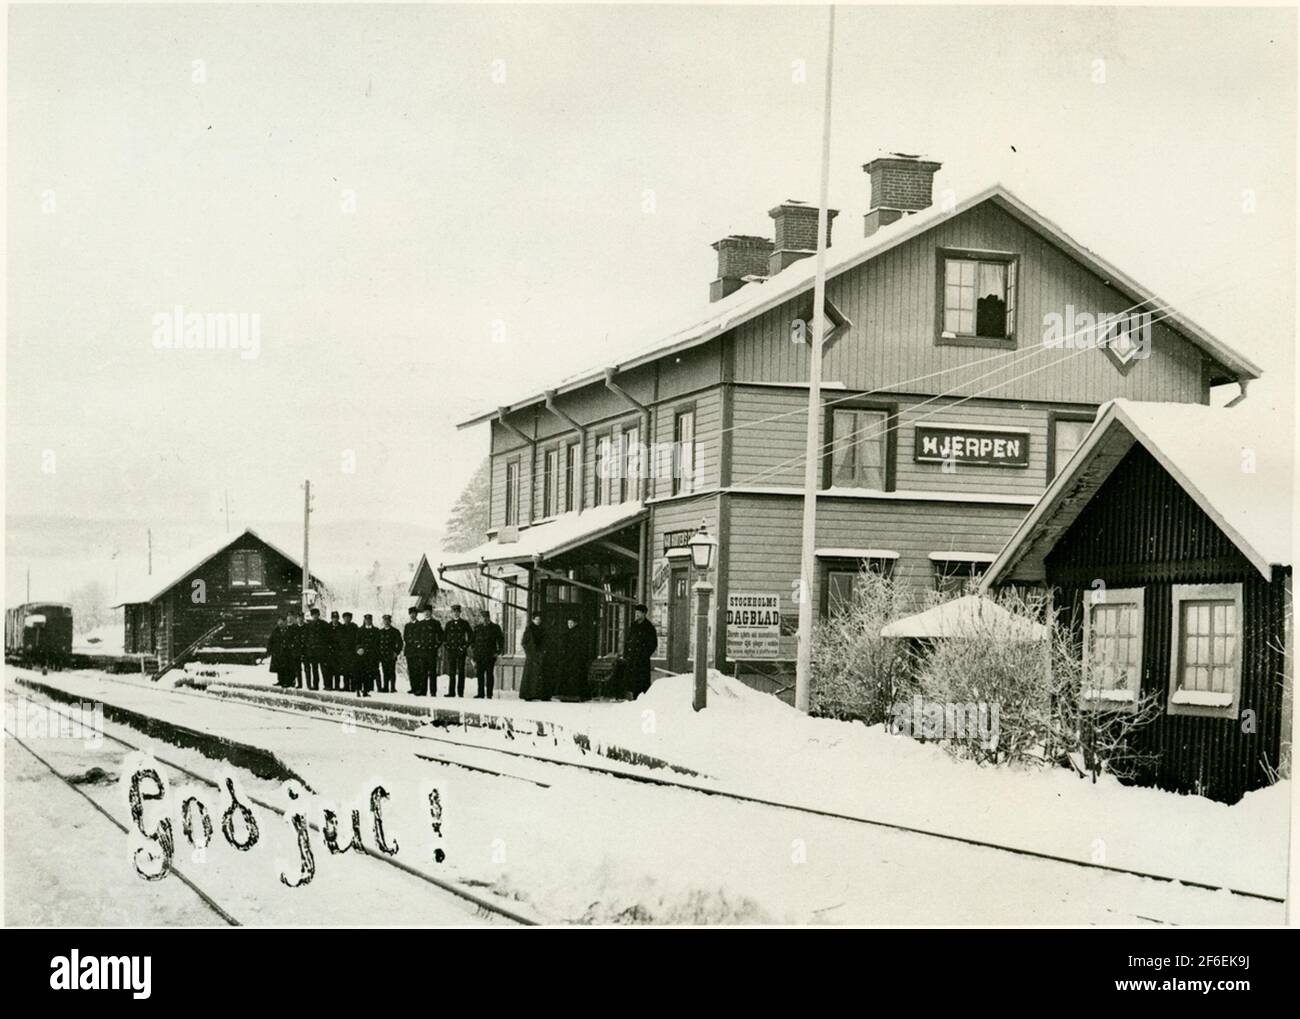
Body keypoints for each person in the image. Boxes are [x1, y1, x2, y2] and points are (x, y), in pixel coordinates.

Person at [623, 603, 659, 698]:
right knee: (632, 683)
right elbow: (627, 641)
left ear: (644, 614)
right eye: (636, 613)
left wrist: (644, 654)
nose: (637, 615)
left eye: (639, 613)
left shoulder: (649, 627)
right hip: (632, 659)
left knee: (642, 683)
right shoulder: (633, 625)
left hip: (642, 661)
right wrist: (626, 654)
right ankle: (634, 699)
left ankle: (642, 700)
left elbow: (653, 644)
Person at [471, 609, 505, 699]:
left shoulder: (495, 627)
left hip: (490, 655)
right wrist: (474, 655)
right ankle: (480, 693)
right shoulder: (477, 628)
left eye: (486, 617)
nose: (485, 619)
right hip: (479, 655)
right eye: (483, 618)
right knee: (480, 675)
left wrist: (498, 652)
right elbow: (473, 642)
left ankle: (489, 693)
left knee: (489, 675)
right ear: (481, 618)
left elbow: (501, 640)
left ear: (489, 618)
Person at [555, 616, 590, 702]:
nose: (569, 625)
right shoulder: (569, 632)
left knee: (574, 677)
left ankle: (573, 695)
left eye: (571, 623)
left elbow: (579, 647)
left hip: (575, 659)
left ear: (575, 623)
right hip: (569, 659)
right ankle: (569, 695)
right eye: (568, 623)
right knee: (570, 677)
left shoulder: (578, 633)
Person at [442, 604, 472, 698]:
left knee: (461, 672)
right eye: (454, 611)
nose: (456, 613)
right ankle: (451, 692)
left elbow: (471, 636)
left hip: (461, 651)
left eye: (457, 611)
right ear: (452, 613)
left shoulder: (464, 623)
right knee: (451, 672)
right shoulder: (448, 624)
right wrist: (447, 646)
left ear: (460, 612)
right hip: (451, 651)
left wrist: (464, 646)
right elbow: (444, 637)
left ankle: (460, 692)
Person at [518, 612, 547, 701]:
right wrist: (529, 652)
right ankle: (529, 694)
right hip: (531, 656)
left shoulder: (543, 629)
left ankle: (539, 694)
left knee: (540, 674)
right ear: (533, 620)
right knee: (530, 675)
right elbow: (524, 642)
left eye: (539, 619)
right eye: (536, 619)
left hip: (540, 655)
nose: (538, 621)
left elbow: (546, 642)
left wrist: (543, 651)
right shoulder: (529, 630)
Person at [302, 607, 330, 692]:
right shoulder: (309, 626)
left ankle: (327, 685)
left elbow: (328, 637)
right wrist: (309, 647)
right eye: (313, 615)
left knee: (324, 669)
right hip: (313, 651)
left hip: (322, 651)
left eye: (316, 615)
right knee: (314, 669)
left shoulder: (324, 624)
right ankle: (315, 685)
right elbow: (306, 638)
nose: (315, 616)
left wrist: (325, 647)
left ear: (318, 615)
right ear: (311, 616)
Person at [378, 614, 404, 694]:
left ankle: (392, 687)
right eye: (385, 621)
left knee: (391, 671)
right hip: (383, 654)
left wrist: (396, 652)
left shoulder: (395, 631)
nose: (386, 622)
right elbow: (377, 643)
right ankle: (385, 687)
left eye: (387, 621)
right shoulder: (380, 632)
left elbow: (400, 643)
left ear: (390, 621)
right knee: (385, 671)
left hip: (391, 655)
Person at [335, 611, 360, 693]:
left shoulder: (354, 627)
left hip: (352, 652)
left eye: (348, 618)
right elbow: (338, 640)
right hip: (343, 652)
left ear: (351, 618)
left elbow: (357, 639)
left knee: (353, 670)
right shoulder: (341, 628)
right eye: (345, 618)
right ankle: (346, 686)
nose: (346, 619)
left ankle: (353, 687)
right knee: (345, 670)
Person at [422, 605, 444, 697]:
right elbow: (417, 637)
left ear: (431, 612)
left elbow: (441, 636)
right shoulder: (420, 624)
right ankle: (423, 691)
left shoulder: (435, 623)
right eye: (425, 611)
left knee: (432, 672)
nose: (427, 613)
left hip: (432, 651)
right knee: (423, 672)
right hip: (423, 651)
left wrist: (436, 646)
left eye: (428, 611)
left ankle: (433, 691)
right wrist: (419, 645)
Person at [356, 614, 380, 697]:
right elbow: (357, 642)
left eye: (369, 620)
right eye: (366, 620)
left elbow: (378, 643)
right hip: (362, 655)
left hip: (372, 656)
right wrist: (359, 649)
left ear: (371, 620)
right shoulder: (360, 630)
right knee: (361, 673)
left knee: (370, 673)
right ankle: (359, 689)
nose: (368, 621)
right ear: (364, 620)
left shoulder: (376, 630)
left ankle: (367, 689)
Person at [403, 607, 424, 695]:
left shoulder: (420, 625)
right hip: (409, 651)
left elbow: (422, 636)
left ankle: (418, 688)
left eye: (414, 613)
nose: (412, 615)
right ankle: (413, 687)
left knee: (418, 670)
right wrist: (410, 641)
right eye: (411, 613)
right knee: (411, 670)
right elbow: (405, 637)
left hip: (417, 651)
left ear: (416, 614)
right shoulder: (407, 625)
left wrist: (417, 643)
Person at [266, 615, 290, 687]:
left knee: (286, 667)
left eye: (282, 621)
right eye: (279, 621)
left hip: (286, 652)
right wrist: (269, 650)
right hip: (277, 651)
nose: (280, 623)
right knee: (279, 667)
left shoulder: (288, 630)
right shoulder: (275, 631)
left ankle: (287, 681)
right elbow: (271, 641)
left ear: (285, 622)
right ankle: (280, 680)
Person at [286, 613, 306, 689]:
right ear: (296, 619)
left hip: (305, 650)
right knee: (297, 668)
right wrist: (293, 645)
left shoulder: (307, 627)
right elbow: (291, 638)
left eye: (301, 617)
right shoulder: (294, 628)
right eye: (298, 618)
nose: (300, 619)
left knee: (307, 668)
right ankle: (299, 684)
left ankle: (309, 684)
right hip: (297, 650)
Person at [323, 611, 341, 691]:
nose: (335, 619)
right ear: (331, 618)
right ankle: (328, 685)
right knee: (328, 670)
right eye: (333, 618)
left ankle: (337, 686)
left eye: (336, 618)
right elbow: (325, 639)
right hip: (329, 652)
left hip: (338, 652)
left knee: (337, 670)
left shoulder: (341, 627)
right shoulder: (327, 627)